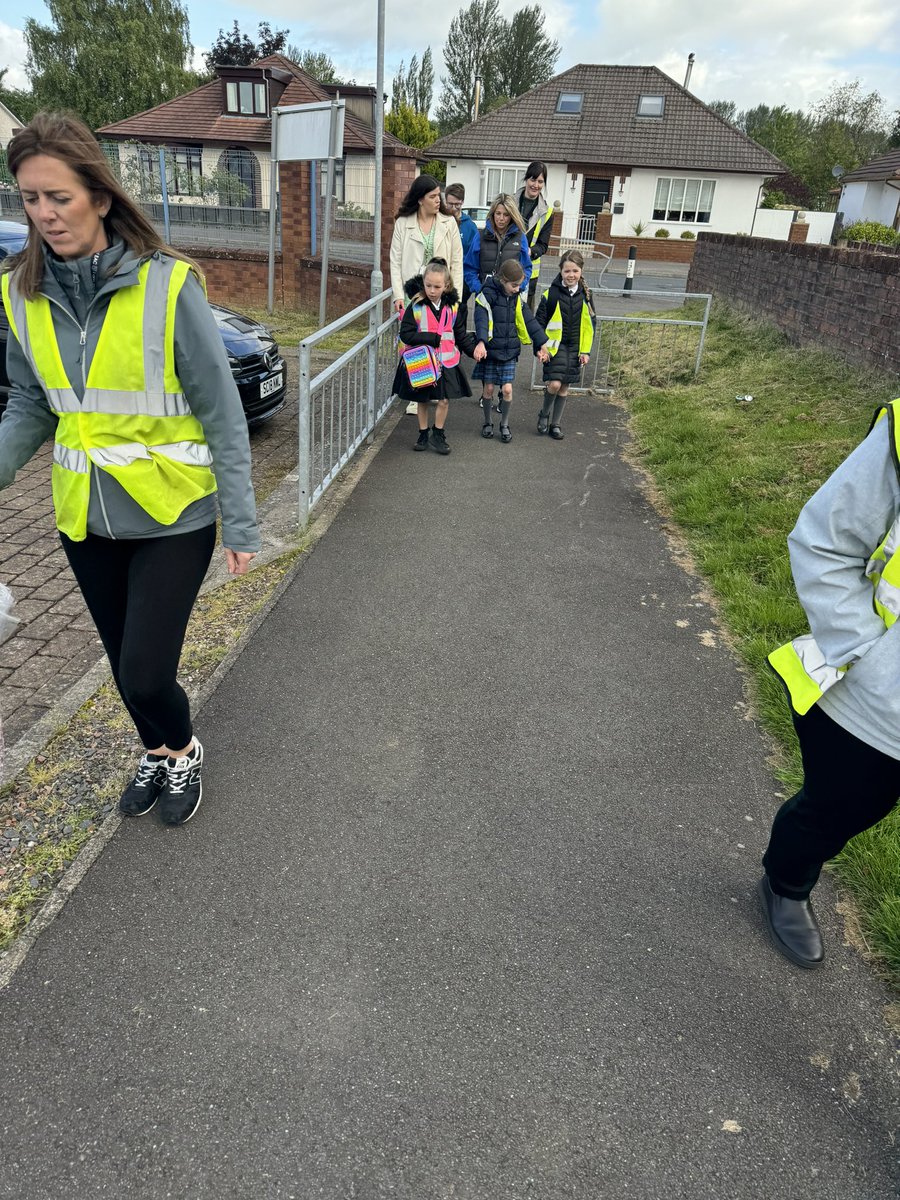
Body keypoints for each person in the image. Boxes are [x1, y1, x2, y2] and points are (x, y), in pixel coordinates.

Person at [0, 112, 260, 828]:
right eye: (29, 198)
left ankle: (183, 749)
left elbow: (221, 412)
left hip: (175, 513)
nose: (44, 214)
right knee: (122, 668)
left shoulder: (170, 286)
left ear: (101, 196)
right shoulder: (19, 295)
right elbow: (31, 402)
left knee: (145, 669)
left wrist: (240, 519)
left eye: (59, 196)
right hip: (84, 515)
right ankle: (160, 750)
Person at [761, 398, 900, 968]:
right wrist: (867, 655)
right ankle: (786, 883)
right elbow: (824, 541)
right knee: (837, 808)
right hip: (882, 706)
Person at [392, 257, 478, 455]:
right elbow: (406, 334)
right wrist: (430, 338)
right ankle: (423, 433)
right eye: (428, 285)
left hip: (446, 361)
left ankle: (438, 433)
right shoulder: (416, 306)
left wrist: (473, 351)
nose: (431, 290)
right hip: (423, 361)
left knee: (444, 400)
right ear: (423, 282)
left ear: (446, 286)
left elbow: (460, 335)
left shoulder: (454, 308)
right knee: (422, 400)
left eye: (437, 286)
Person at [472, 259, 548, 443]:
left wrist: (541, 344)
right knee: (488, 389)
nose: (517, 289)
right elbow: (481, 320)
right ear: (502, 280)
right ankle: (488, 422)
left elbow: (530, 321)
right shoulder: (486, 294)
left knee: (506, 389)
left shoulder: (518, 298)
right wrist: (481, 342)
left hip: (509, 351)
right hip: (491, 351)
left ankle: (504, 424)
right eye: (514, 285)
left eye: (520, 285)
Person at [534, 249, 595, 440]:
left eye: (575, 271)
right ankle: (544, 414)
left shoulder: (586, 295)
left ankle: (556, 424)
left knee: (564, 387)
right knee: (554, 384)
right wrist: (540, 348)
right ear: (561, 271)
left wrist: (586, 351)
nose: (571, 275)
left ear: (581, 272)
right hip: (554, 348)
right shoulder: (550, 294)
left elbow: (590, 325)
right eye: (567, 271)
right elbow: (539, 323)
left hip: (575, 348)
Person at [390, 175, 463, 314]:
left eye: (438, 196)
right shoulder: (402, 223)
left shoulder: (449, 223)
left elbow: (457, 262)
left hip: (442, 296)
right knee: (412, 334)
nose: (438, 200)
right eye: (432, 196)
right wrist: (398, 296)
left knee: (438, 335)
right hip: (412, 297)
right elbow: (395, 262)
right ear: (420, 200)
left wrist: (456, 300)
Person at [463, 193, 532, 304]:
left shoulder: (520, 238)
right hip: (484, 299)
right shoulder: (480, 236)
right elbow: (469, 268)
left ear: (512, 216)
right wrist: (479, 289)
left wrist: (518, 287)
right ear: (492, 214)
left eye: (506, 215)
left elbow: (526, 269)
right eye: (498, 213)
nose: (501, 218)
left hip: (510, 300)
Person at [516, 161, 556, 310]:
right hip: (506, 267)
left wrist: (531, 251)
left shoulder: (547, 212)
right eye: (533, 179)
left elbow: (543, 245)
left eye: (540, 181)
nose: (536, 185)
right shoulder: (509, 202)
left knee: (525, 319)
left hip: (528, 273)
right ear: (526, 179)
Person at [444, 183, 478, 257]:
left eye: (457, 204)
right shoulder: (439, 222)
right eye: (450, 204)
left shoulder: (470, 226)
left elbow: (474, 255)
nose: (453, 208)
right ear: (446, 201)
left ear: (462, 201)